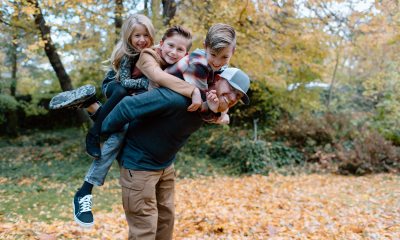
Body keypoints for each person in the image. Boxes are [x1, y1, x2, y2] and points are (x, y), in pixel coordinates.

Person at [102, 67, 250, 240]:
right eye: (231, 89)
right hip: (139, 166)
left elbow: (220, 111)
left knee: (166, 221)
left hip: (165, 166)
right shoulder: (178, 97)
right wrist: (102, 134)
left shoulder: (210, 106)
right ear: (216, 79)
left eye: (238, 96)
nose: (232, 98)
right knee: (144, 229)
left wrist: (222, 114)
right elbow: (127, 106)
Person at [49, 15, 202, 159]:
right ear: (129, 36)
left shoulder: (161, 51)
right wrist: (147, 84)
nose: (142, 40)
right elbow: (125, 83)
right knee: (122, 93)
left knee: (122, 123)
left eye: (146, 35)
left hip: (132, 89)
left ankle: (90, 103)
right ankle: (93, 134)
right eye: (137, 36)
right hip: (114, 83)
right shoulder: (127, 55)